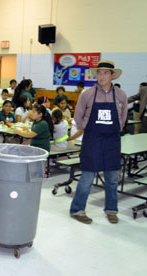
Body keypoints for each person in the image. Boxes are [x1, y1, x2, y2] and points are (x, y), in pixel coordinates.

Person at [70, 60, 127, 224]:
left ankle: (111, 209)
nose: (101, 76)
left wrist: (118, 128)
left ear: (112, 75)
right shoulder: (87, 94)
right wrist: (85, 128)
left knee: (112, 177)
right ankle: (77, 210)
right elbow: (78, 116)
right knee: (87, 176)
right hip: (93, 139)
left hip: (112, 140)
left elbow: (123, 116)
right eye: (99, 73)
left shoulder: (121, 94)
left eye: (105, 73)